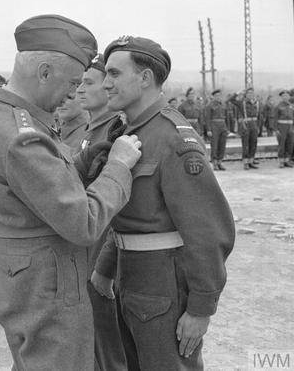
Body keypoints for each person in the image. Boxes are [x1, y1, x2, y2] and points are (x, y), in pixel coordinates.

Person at [0, 15, 142, 371]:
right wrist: (119, 166)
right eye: (73, 82)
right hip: (46, 282)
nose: (73, 93)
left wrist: (86, 159)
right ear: (44, 72)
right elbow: (84, 223)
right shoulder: (22, 135)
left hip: (18, 272)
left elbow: (33, 189)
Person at [90, 35, 235, 370]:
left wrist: (201, 308)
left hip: (163, 285)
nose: (106, 83)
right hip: (132, 278)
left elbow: (208, 231)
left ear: (144, 78)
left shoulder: (173, 138)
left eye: (114, 74)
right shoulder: (128, 130)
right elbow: (125, 217)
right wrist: (106, 269)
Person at [76, 53, 127, 371]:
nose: (80, 89)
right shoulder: (90, 133)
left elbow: (120, 207)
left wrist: (106, 266)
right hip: (82, 250)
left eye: (88, 82)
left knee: (108, 351)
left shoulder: (116, 135)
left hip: (101, 257)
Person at [228, 88, 261, 170]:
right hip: (246, 125)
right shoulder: (241, 103)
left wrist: (259, 126)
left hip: (254, 125)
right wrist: (238, 92)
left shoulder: (256, 103)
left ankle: (251, 161)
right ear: (245, 95)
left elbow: (260, 116)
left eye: (252, 93)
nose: (250, 95)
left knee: (253, 143)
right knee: (246, 144)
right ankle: (245, 162)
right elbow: (231, 100)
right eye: (249, 93)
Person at [205, 89, 229, 170]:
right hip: (214, 126)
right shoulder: (209, 105)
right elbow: (207, 118)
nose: (218, 97)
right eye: (216, 96)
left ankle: (220, 162)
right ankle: (214, 163)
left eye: (219, 95)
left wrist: (227, 128)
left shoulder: (223, 105)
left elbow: (226, 117)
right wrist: (208, 130)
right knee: (214, 145)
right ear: (213, 96)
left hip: (223, 126)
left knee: (222, 145)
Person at [274, 89, 294, 168]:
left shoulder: (291, 106)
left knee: (290, 144)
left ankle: (287, 161)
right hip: (282, 127)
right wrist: (276, 129)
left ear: (289, 97)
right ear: (281, 97)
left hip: (290, 127)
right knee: (282, 144)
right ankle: (281, 161)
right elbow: (275, 118)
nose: (286, 97)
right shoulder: (278, 106)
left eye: (287, 96)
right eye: (284, 96)